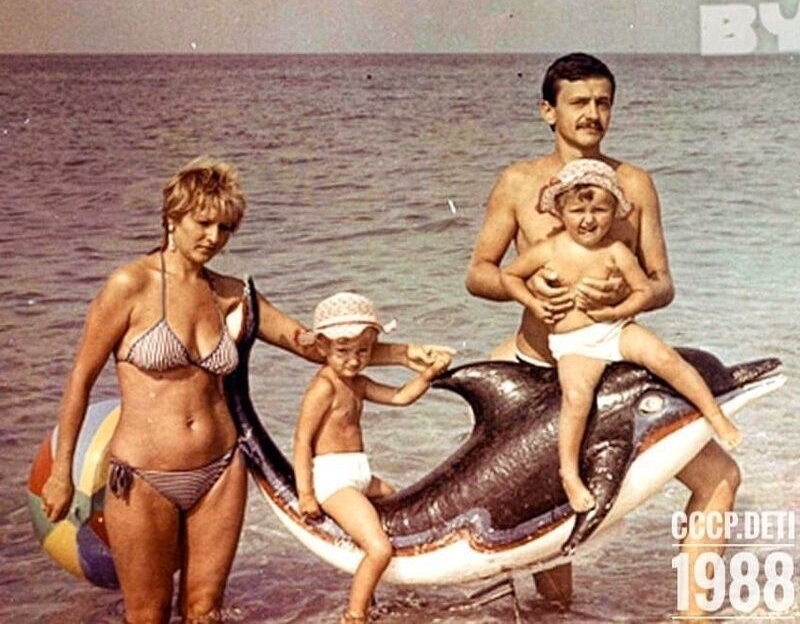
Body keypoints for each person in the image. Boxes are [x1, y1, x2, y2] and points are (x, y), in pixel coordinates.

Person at [40, 157, 455, 624]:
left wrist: (403, 354)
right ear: (172, 216)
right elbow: (80, 379)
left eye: (225, 228)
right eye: (203, 223)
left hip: (220, 471)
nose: (213, 238)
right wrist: (61, 473)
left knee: (205, 611)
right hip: (143, 474)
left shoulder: (234, 294)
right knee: (147, 614)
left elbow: (312, 345)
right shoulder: (130, 286)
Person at [465, 53, 742, 616]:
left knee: (720, 476)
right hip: (537, 367)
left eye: (603, 102)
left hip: (615, 365)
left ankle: (693, 614)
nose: (592, 113)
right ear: (548, 111)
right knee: (548, 539)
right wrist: (528, 289)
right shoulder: (518, 182)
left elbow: (663, 283)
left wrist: (624, 295)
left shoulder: (635, 184)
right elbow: (479, 273)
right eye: (578, 102)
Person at [500, 158, 742, 512]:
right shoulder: (548, 249)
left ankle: (715, 416)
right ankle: (569, 473)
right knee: (576, 398)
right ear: (560, 212)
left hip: (616, 330)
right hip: (574, 343)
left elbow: (645, 290)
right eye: (577, 210)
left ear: (614, 212)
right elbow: (509, 276)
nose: (588, 219)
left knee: (665, 358)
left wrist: (616, 311)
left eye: (599, 210)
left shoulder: (616, 251)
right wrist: (534, 303)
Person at [293, 292, 451, 624]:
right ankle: (355, 614)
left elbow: (400, 397)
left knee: (399, 502)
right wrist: (306, 494)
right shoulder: (324, 387)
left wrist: (427, 375)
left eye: (363, 351)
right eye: (343, 351)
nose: (353, 360)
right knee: (379, 547)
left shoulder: (359, 383)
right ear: (322, 347)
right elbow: (302, 441)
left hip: (358, 473)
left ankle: (387, 582)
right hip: (333, 481)